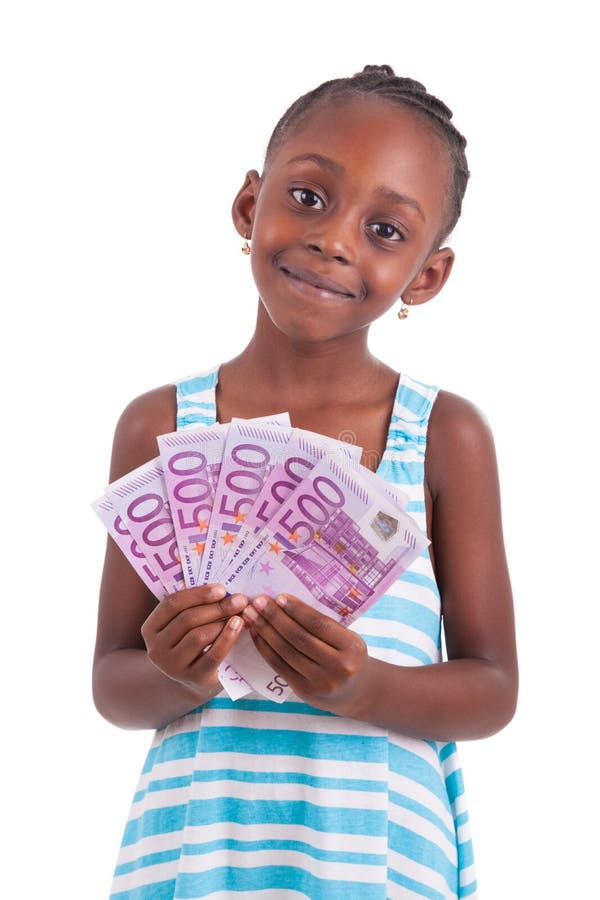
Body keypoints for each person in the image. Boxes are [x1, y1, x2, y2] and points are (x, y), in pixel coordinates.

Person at [94, 64, 518, 899]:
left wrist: (366, 688)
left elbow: (493, 688)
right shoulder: (159, 425)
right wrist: (181, 670)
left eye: (387, 231)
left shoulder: (444, 435)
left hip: (380, 858)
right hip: (196, 852)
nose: (333, 240)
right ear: (250, 206)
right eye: (311, 198)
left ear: (426, 277)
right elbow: (113, 685)